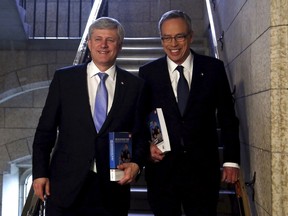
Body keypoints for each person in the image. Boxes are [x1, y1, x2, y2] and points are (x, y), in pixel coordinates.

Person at [32, 17, 147, 216]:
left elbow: (141, 134)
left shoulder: (135, 86)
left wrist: (137, 163)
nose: (103, 45)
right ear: (89, 43)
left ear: (119, 45)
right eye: (98, 39)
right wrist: (40, 173)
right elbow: (45, 130)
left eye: (110, 40)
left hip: (112, 190)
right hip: (65, 188)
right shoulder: (65, 79)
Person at [139, 10, 240, 216]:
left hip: (203, 171)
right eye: (166, 37)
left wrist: (231, 160)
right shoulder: (148, 73)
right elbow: (140, 118)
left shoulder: (214, 68)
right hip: (162, 172)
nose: (173, 43)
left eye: (179, 36)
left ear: (190, 36)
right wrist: (146, 146)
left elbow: (228, 117)